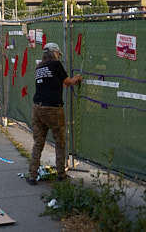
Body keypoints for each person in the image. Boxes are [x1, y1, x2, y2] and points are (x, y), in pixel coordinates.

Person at [27, 43, 83, 185]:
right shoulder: (56, 65)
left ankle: (32, 175)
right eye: (58, 53)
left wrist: (68, 83)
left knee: (38, 143)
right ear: (54, 53)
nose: (58, 56)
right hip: (52, 108)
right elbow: (68, 81)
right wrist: (77, 78)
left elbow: (54, 84)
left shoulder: (39, 67)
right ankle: (61, 174)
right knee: (60, 142)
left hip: (37, 107)